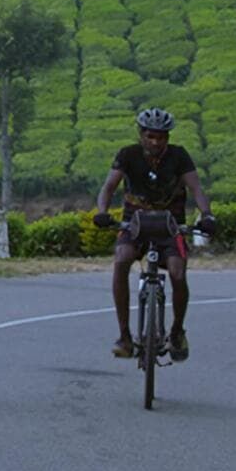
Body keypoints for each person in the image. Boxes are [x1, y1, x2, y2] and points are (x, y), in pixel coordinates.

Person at [92, 107, 217, 362]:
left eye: (161, 137)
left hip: (170, 227)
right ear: (141, 135)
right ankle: (125, 336)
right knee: (121, 261)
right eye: (150, 136)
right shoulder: (127, 154)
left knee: (177, 273)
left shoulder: (179, 156)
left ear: (167, 137)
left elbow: (196, 188)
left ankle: (177, 331)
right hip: (135, 225)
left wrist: (206, 215)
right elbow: (108, 186)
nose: (155, 142)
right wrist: (102, 212)